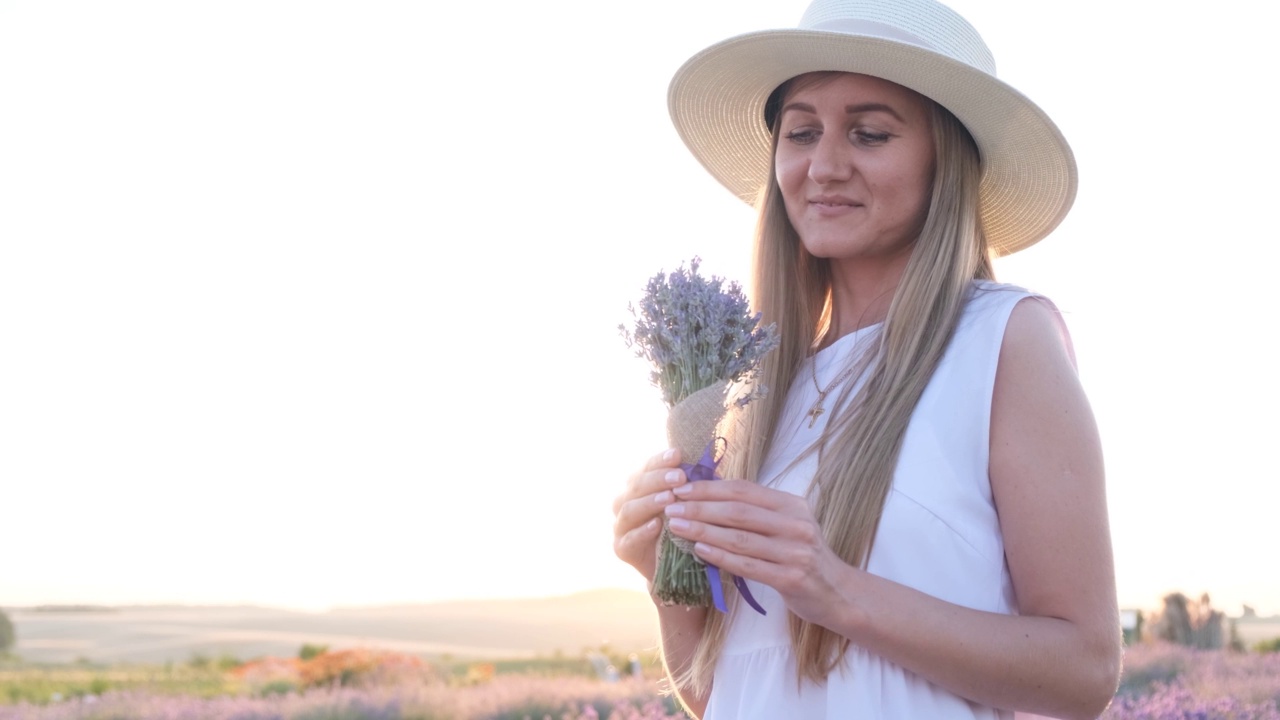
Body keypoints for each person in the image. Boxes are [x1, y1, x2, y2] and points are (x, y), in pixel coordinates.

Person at [611, 0, 1121, 718]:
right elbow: (727, 693)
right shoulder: (756, 390)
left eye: (870, 133)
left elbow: (1084, 671)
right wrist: (662, 575)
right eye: (802, 132)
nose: (824, 166)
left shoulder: (1004, 340)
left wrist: (834, 588)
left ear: (944, 160)